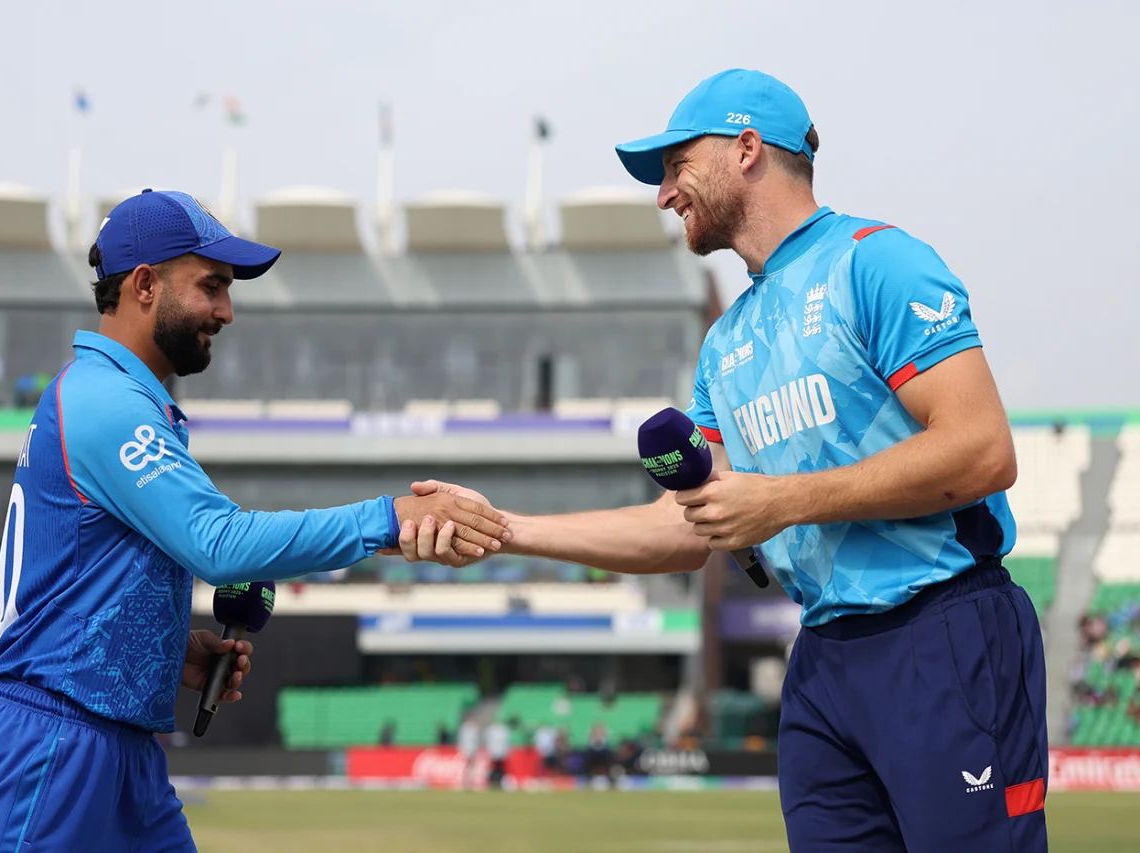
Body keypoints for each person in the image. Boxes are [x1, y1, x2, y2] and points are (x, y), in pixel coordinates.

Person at [391, 70, 1048, 852]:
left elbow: (982, 449)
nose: (665, 194)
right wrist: (505, 528)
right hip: (823, 660)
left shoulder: (877, 262)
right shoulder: (725, 344)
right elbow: (688, 525)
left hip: (943, 631)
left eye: (676, 166)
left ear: (746, 149)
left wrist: (781, 501)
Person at [0, 189, 509, 853]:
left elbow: (89, 569)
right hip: (56, 743)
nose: (225, 310)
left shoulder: (113, 397)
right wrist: (389, 516)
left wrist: (161, 649)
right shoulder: (107, 402)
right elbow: (218, 544)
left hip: (114, 742)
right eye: (211, 286)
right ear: (143, 285)